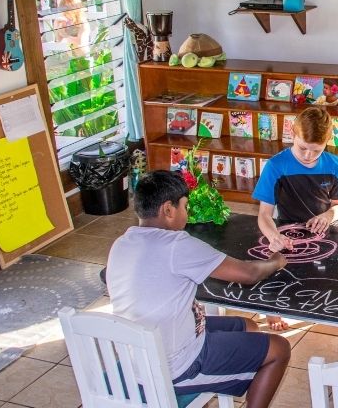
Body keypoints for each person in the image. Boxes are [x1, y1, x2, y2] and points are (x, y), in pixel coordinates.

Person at [106, 170, 291, 407]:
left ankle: (240, 370)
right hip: (173, 366)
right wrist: (276, 260)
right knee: (279, 348)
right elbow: (249, 274)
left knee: (249, 326)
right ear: (168, 210)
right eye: (185, 207)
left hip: (138, 353)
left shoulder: (121, 243)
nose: (187, 213)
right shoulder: (176, 244)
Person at [253, 106, 338, 330]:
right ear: (292, 133)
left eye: (316, 151)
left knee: (336, 272)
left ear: (327, 142)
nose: (308, 156)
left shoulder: (335, 165)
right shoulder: (276, 166)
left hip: (326, 229)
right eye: (302, 148)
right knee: (277, 265)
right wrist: (273, 235)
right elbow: (264, 214)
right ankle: (273, 308)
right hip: (286, 230)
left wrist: (328, 214)